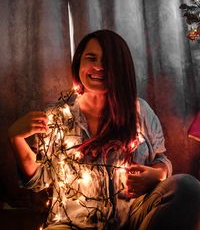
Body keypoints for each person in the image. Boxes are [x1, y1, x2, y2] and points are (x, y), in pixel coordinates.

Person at [9, 29, 200, 230]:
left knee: (188, 188)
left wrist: (159, 174)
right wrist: (16, 137)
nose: (99, 67)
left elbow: (161, 160)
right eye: (91, 58)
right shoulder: (56, 116)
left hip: (134, 219)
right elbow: (39, 179)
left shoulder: (140, 111)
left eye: (109, 61)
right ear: (79, 63)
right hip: (72, 223)